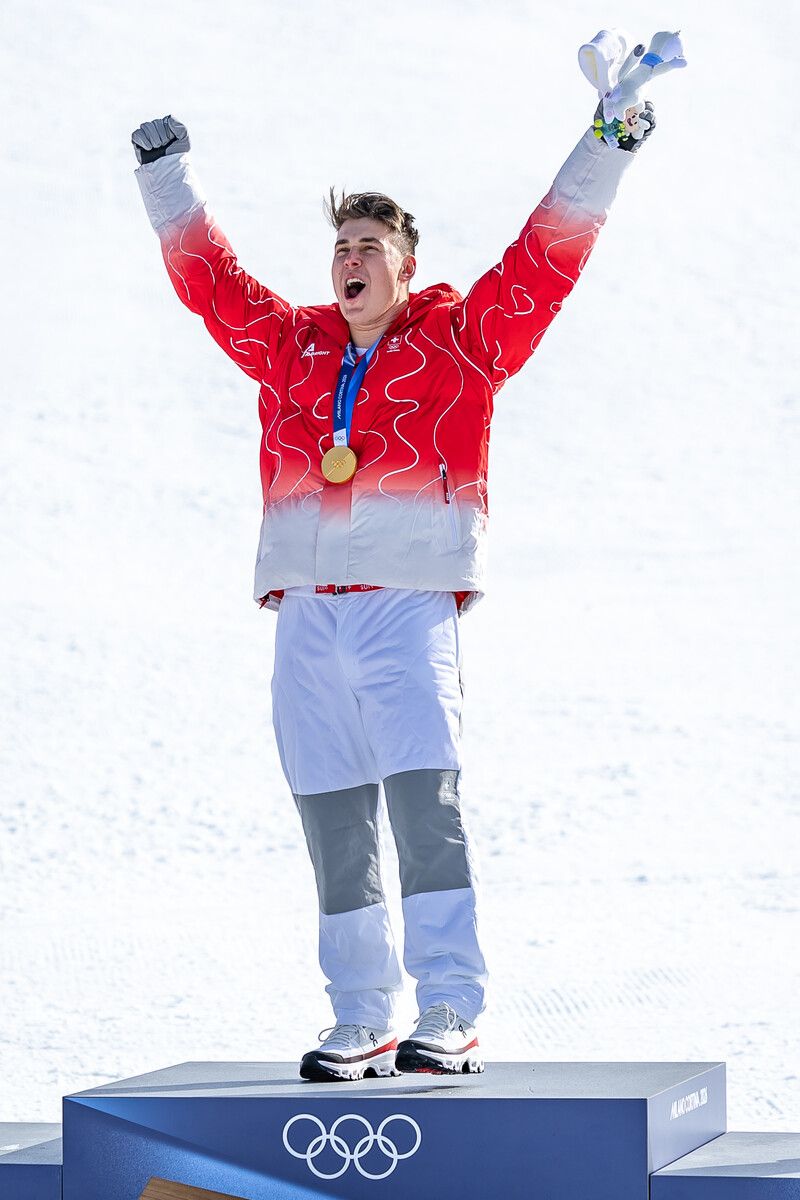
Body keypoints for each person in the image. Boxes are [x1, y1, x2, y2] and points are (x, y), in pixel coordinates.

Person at [131, 34, 667, 1082]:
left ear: (404, 265)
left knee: (424, 808)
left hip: (404, 606)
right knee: (333, 822)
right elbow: (213, 287)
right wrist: (166, 180)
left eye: (370, 244)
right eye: (341, 244)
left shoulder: (464, 341)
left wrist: (611, 135)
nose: (351, 258)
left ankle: (451, 1006)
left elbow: (544, 259)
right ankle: (360, 1015)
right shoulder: (289, 347)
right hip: (304, 613)